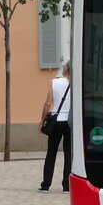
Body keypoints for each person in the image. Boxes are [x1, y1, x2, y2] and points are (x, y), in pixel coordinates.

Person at [39, 61, 72, 192]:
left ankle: (46, 184)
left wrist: (42, 121)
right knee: (68, 154)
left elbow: (48, 103)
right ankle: (67, 185)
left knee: (51, 153)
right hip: (70, 121)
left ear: (65, 69)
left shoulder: (55, 82)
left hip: (56, 120)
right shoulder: (76, 83)